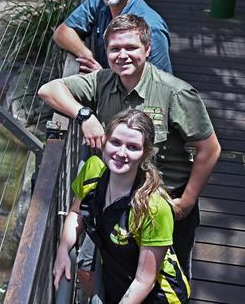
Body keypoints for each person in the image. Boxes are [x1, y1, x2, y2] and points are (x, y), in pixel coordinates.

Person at [39, 14, 221, 280]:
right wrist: (84, 116)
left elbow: (210, 149)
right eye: (114, 49)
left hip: (165, 203)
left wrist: (186, 202)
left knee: (168, 282)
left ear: (147, 49)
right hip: (119, 201)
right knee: (116, 277)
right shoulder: (102, 81)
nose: (122, 55)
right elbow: (49, 90)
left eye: (131, 48)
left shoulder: (175, 94)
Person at [53, 109, 190, 303]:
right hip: (117, 287)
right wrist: (63, 249)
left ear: (145, 154)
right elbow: (77, 213)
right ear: (105, 141)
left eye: (133, 147)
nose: (121, 153)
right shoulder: (94, 171)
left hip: (157, 297)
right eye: (115, 142)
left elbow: (144, 280)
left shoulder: (153, 208)